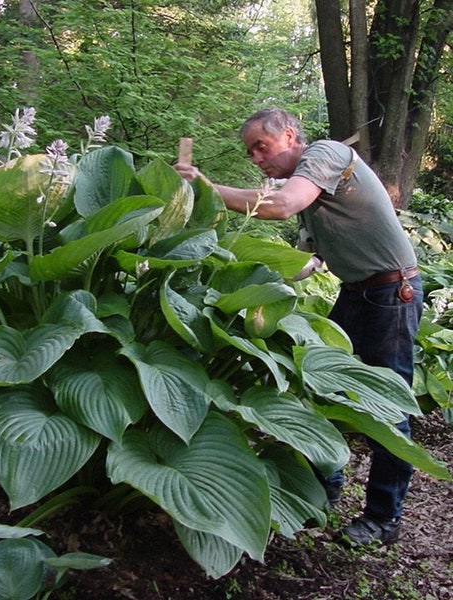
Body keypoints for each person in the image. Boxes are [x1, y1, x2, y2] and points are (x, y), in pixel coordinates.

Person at [174, 107, 423, 546]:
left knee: (387, 407)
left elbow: (283, 206)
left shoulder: (326, 155)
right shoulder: (316, 195)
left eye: (261, 147)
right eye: (250, 152)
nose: (256, 159)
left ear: (289, 136)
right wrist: (249, 275)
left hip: (392, 294)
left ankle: (384, 519)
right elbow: (306, 265)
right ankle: (319, 493)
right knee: (318, 388)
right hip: (357, 293)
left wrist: (208, 188)